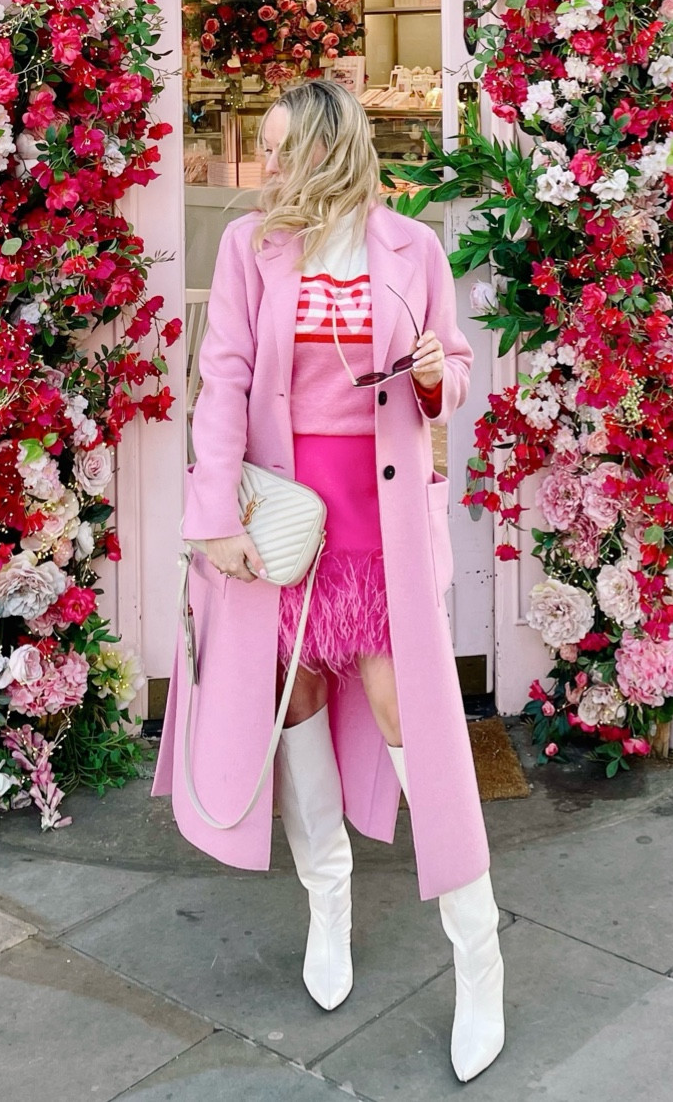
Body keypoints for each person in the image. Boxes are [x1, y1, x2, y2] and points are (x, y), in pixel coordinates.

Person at [154, 77, 504, 1082]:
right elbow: (222, 378)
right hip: (285, 516)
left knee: (410, 717)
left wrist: (439, 372)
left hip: (382, 517)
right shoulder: (250, 248)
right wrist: (213, 518)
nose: (263, 168)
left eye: (277, 147)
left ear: (325, 147)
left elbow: (452, 380)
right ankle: (329, 906)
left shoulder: (413, 245)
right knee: (295, 695)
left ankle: (478, 954)